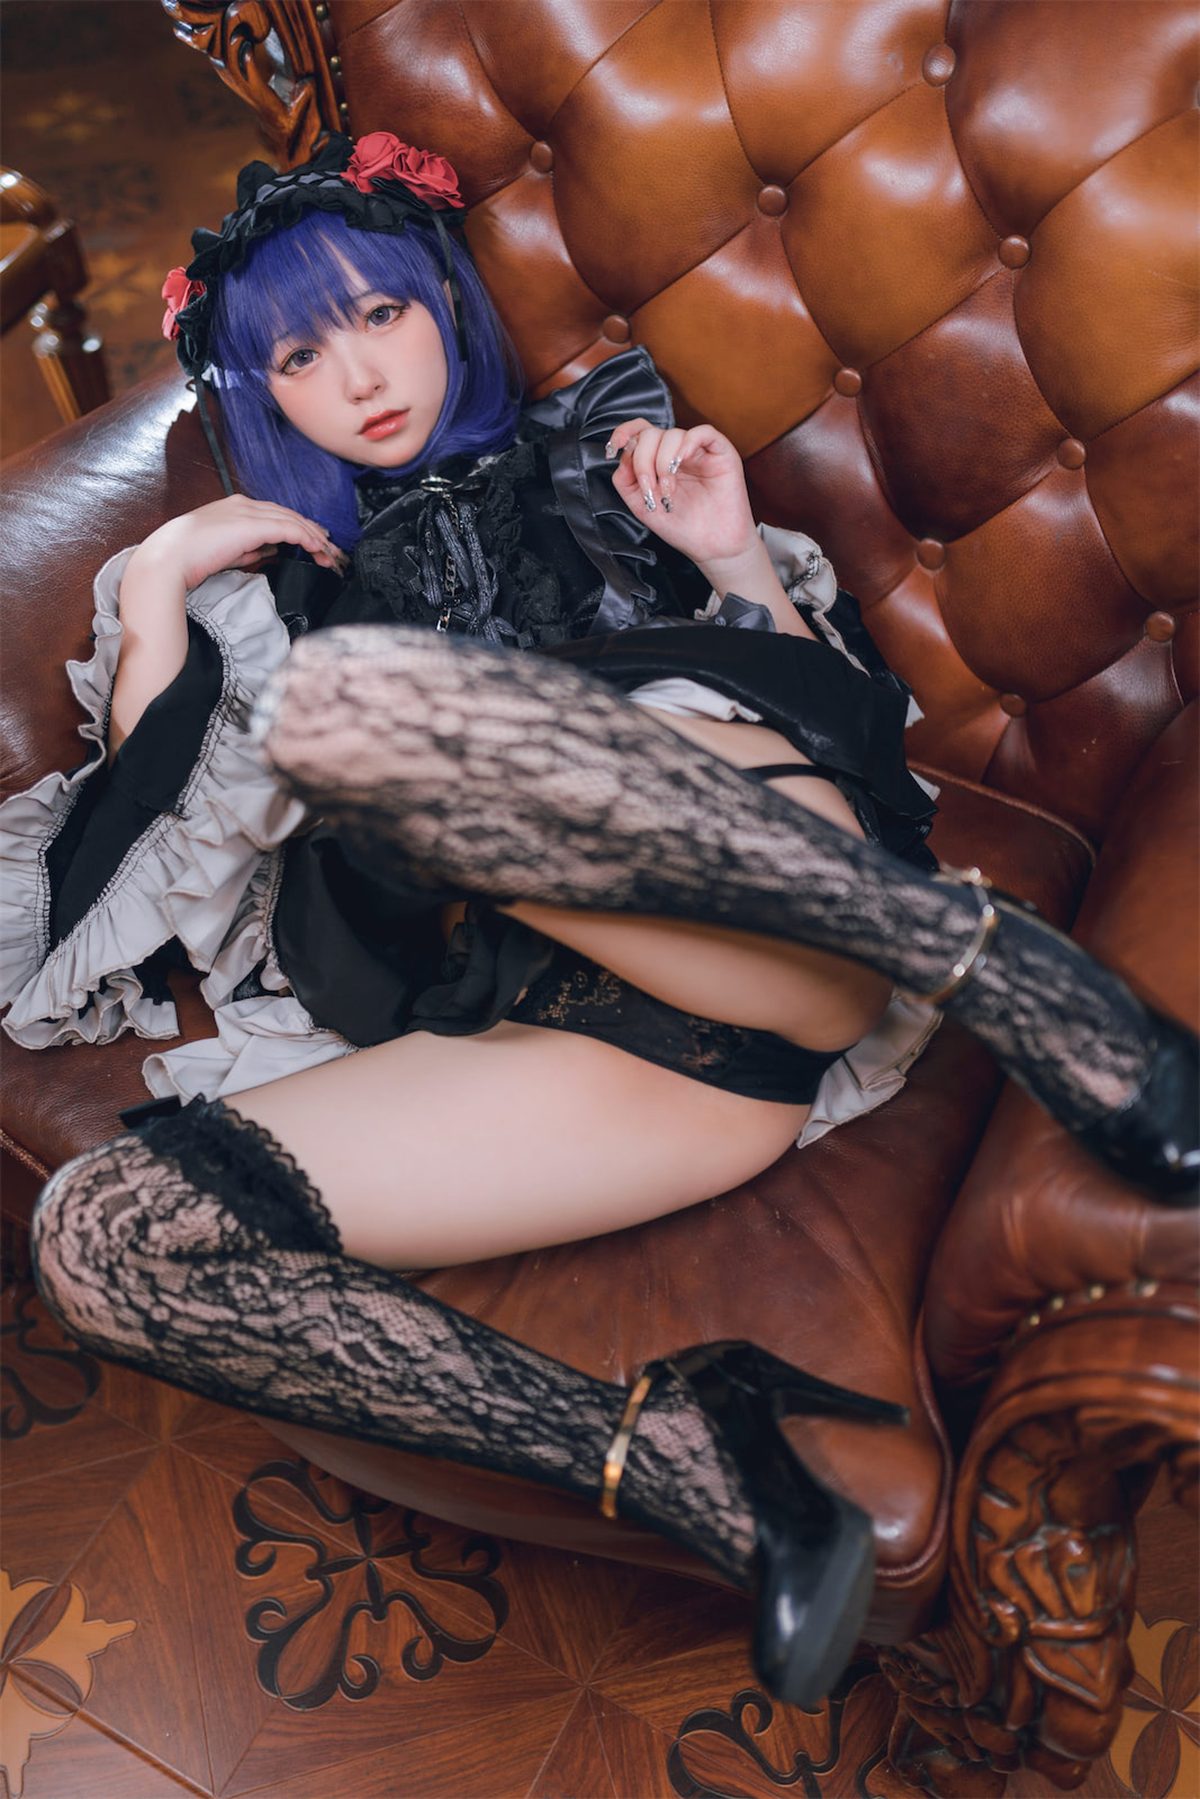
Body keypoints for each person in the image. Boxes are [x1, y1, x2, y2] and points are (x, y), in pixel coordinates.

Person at [2, 133, 1194, 1713]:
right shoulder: (277, 588)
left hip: (800, 920)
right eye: (297, 356)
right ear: (263, 398)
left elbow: (827, 735)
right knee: (101, 1238)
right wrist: (159, 581)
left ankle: (1004, 970)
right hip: (616, 1053)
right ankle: (686, 1450)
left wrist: (726, 556)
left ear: (445, 303)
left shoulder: (601, 463)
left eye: (380, 314)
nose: (357, 376)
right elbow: (157, 850)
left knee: (373, 715)